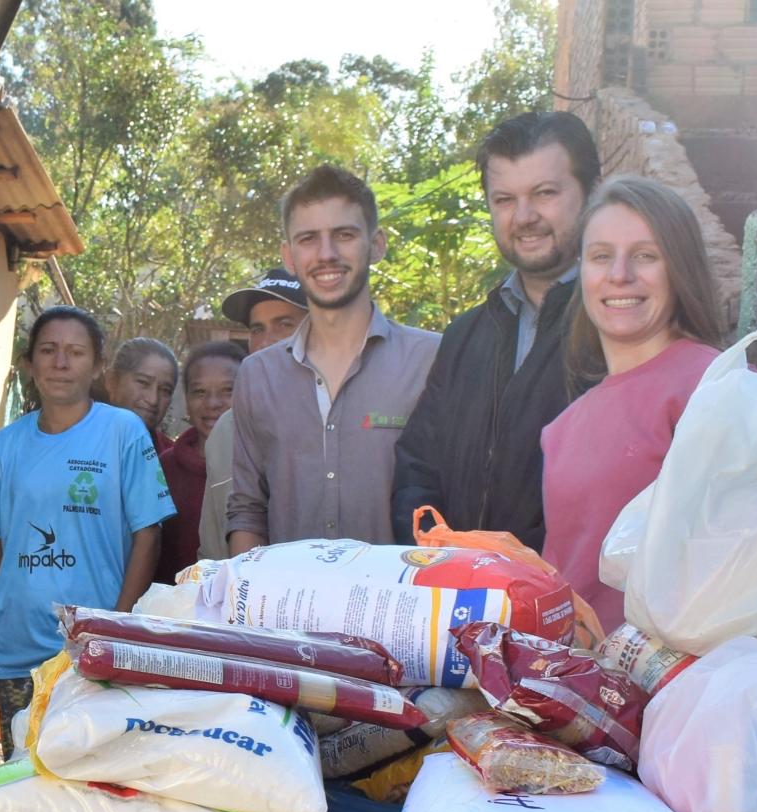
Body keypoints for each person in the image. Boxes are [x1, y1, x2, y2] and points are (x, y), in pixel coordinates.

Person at [0, 306, 176, 753]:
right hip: (15, 654)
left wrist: (115, 632)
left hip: (91, 657)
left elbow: (148, 536)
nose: (60, 363)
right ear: (29, 363)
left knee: (88, 781)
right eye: (48, 350)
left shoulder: (123, 432)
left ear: (97, 366)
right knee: (22, 773)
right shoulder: (8, 444)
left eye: (75, 352)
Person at [391, 111, 600, 548]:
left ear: (593, 194)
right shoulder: (464, 336)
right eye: (504, 199)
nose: (524, 217)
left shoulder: (614, 327)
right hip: (460, 584)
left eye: (545, 193)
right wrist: (438, 556)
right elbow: (418, 467)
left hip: (568, 588)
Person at [542, 175, 725, 631]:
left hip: (683, 670)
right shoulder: (560, 429)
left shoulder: (714, 385)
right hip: (580, 671)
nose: (619, 274)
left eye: (645, 255)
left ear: (679, 268)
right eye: (601, 256)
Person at [227, 165, 439, 551]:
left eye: (344, 235)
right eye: (308, 239)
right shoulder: (258, 375)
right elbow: (247, 511)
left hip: (403, 591)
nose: (326, 254)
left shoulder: (431, 360)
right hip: (284, 592)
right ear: (289, 256)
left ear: (377, 244)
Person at [198, 267, 306, 559]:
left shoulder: (339, 418)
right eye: (257, 329)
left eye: (284, 324)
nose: (266, 341)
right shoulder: (224, 430)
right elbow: (211, 549)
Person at [159, 340, 245, 579]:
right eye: (199, 392)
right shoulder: (164, 469)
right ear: (186, 399)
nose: (212, 403)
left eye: (228, 390)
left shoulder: (262, 467)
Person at [107, 337, 180, 451]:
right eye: (143, 382)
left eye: (165, 390)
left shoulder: (171, 458)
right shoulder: (79, 438)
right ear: (112, 381)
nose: (153, 400)